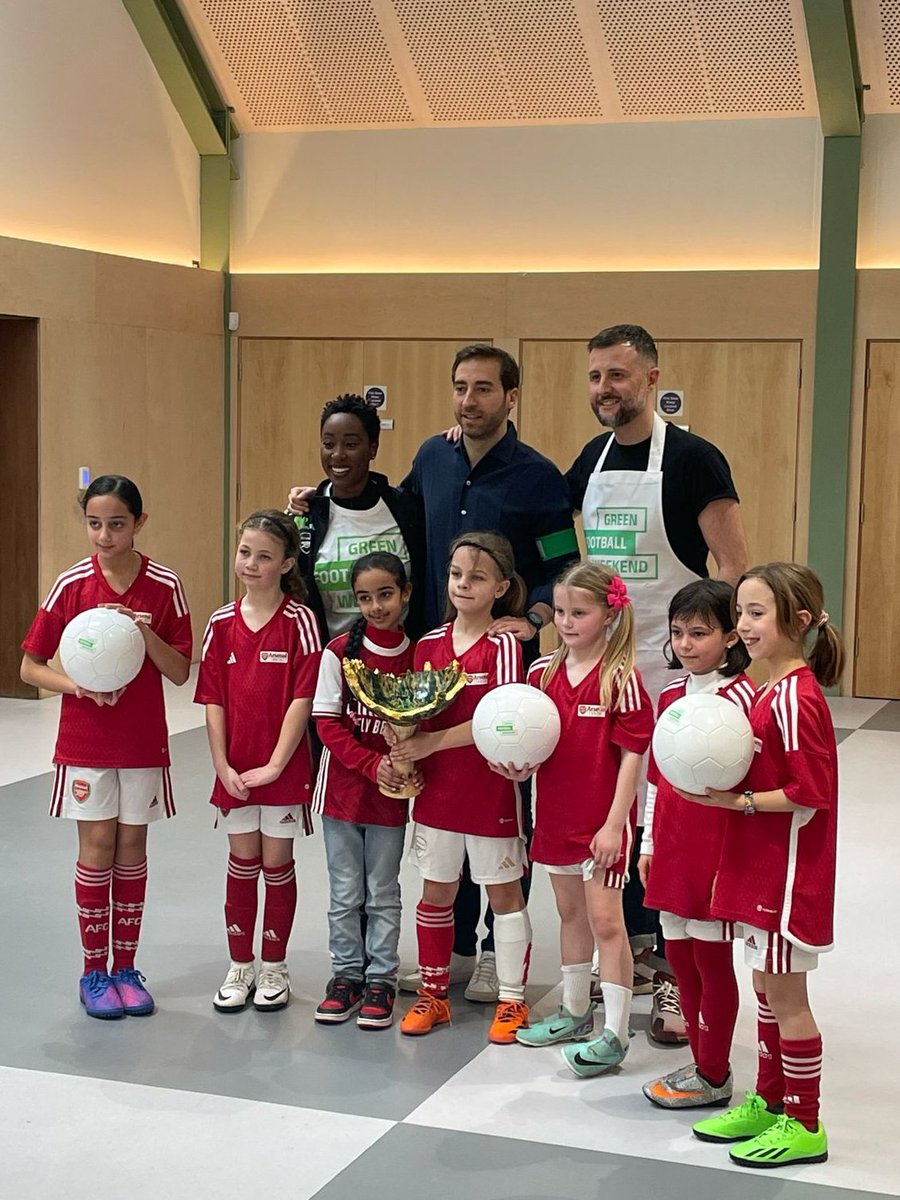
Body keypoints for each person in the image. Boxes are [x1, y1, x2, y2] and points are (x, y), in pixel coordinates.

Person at [566, 323, 750, 1037]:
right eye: (594, 377)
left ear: (650, 377)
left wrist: (730, 661)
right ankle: (638, 949)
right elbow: (561, 534)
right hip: (608, 674)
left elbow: (733, 565)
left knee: (674, 820)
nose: (604, 389)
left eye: (617, 375)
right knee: (613, 816)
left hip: (678, 673)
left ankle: (679, 977)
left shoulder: (698, 460)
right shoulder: (592, 458)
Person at [400, 345, 579, 1001]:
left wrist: (532, 621)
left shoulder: (539, 477)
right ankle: (444, 955)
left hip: (503, 666)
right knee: (446, 805)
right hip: (438, 655)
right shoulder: (431, 456)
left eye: (482, 388)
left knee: (499, 799)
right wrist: (325, 501)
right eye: (459, 387)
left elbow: (563, 562)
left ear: (511, 397)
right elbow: (400, 519)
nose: (468, 400)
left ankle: (489, 956)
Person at [680, 563, 841, 1169]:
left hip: (789, 872)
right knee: (765, 989)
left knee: (787, 996)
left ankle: (804, 1122)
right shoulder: (768, 687)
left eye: (755, 614)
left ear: (798, 622)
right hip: (758, 865)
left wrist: (736, 801)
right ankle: (770, 1101)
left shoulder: (798, 696)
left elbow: (810, 790)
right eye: (740, 613)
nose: (742, 626)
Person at [20, 474, 192, 1019]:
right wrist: (80, 685)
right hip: (86, 741)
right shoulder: (71, 584)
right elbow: (29, 665)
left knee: (132, 852)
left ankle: (125, 968)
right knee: (96, 850)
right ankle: (93, 972)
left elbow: (182, 671)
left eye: (117, 524)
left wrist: (145, 635)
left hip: (142, 742)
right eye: (94, 524)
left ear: (139, 523)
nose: (104, 535)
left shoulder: (164, 586)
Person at [507, 564, 653, 1077]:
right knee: (570, 918)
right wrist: (518, 763)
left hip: (603, 826)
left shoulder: (622, 679)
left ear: (609, 614)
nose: (567, 622)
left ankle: (614, 1033)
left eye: (580, 613)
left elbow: (633, 757)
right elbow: (534, 744)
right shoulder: (540, 675)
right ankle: (573, 1013)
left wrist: (615, 825)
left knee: (608, 924)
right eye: (562, 612)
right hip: (555, 818)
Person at [391, 532, 533, 1044]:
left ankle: (513, 999)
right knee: (435, 892)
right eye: (456, 575)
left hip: (490, 789)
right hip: (438, 793)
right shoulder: (428, 644)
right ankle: (434, 995)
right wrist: (402, 739)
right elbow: (410, 713)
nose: (463, 585)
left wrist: (428, 744)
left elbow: (500, 722)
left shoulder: (504, 646)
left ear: (501, 587)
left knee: (503, 895)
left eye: (476, 577)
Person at [195, 510, 322, 1014]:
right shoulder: (221, 623)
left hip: (281, 771)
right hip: (235, 771)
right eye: (244, 552)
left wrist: (274, 766)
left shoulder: (300, 622)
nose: (250, 563)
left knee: (277, 864)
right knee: (242, 864)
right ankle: (240, 965)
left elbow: (302, 698)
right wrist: (222, 765)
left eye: (264, 556)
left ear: (287, 563)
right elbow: (213, 700)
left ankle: (274, 966)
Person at [638, 580, 754, 1104]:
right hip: (671, 844)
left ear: (732, 636)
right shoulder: (668, 695)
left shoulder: (745, 696)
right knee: (678, 956)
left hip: (717, 846)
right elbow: (657, 779)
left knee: (711, 961)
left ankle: (714, 1071)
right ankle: (701, 1059)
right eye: (678, 632)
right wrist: (647, 842)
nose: (686, 644)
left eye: (700, 633)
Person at [311, 552, 417, 1030]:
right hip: (342, 794)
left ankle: (381, 978)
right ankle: (345, 975)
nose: (376, 606)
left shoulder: (420, 654)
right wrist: (371, 764)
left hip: (391, 798)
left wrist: (401, 765)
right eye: (365, 598)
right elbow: (327, 724)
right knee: (344, 891)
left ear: (406, 593)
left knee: (382, 891)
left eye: (386, 595)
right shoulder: (339, 653)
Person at [289, 393, 427, 641]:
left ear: (372, 448)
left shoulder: (406, 509)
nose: (338, 455)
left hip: (401, 658)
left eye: (351, 445)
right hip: (330, 659)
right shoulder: (307, 514)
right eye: (328, 444)